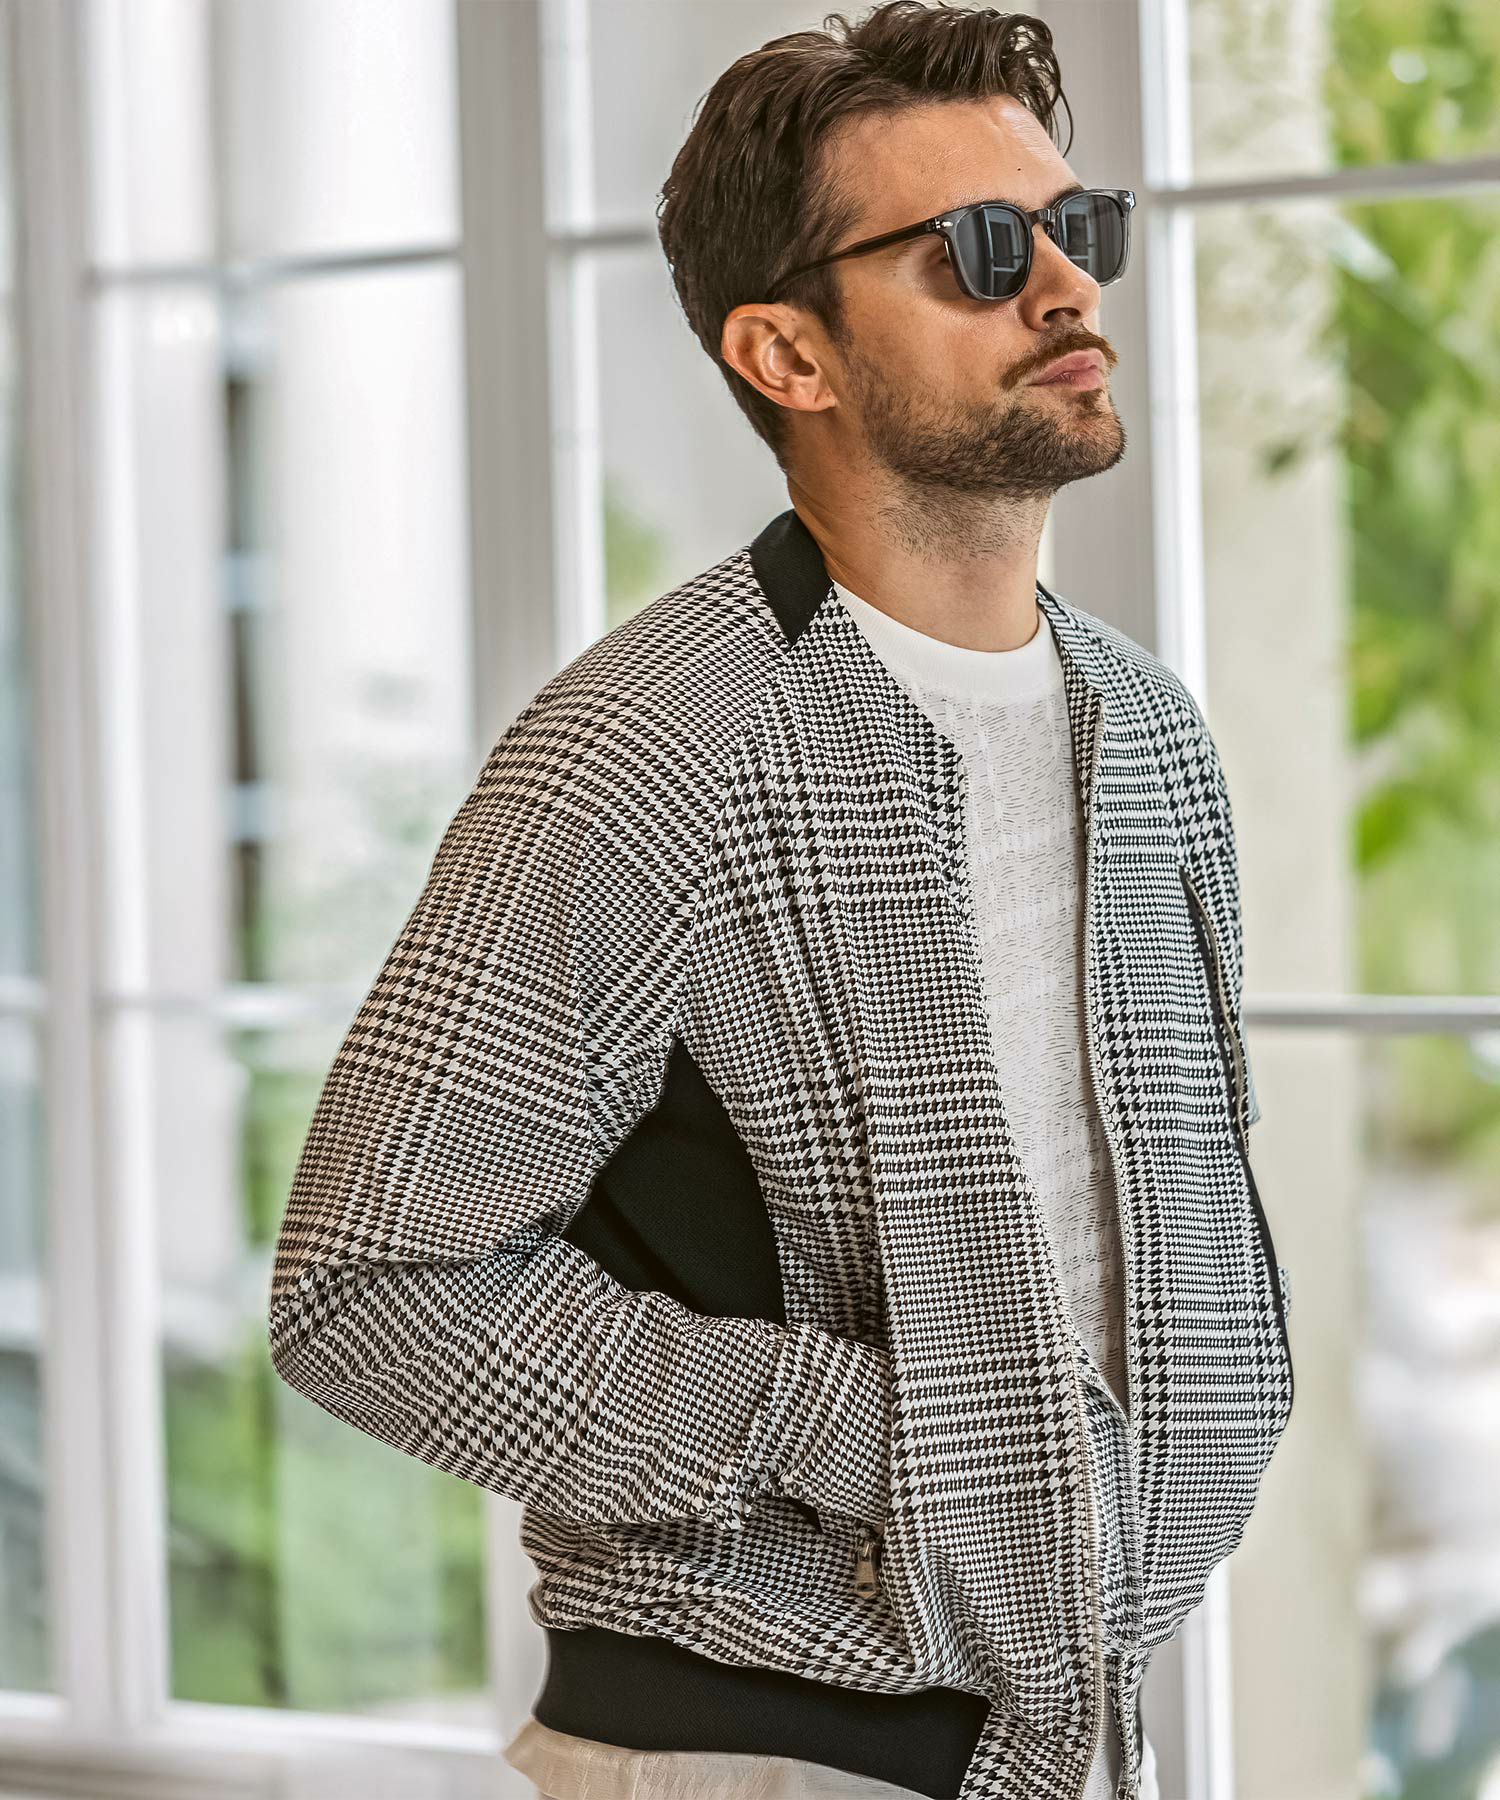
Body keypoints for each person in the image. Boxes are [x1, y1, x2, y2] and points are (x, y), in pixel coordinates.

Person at [266, 6, 1293, 1799]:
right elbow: (369, 1292)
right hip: (747, 1757)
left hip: (1083, 1733)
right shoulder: (648, 753)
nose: (1067, 287)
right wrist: (870, 1433)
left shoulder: (1152, 736)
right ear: (787, 352)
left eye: (1077, 228)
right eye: (979, 251)